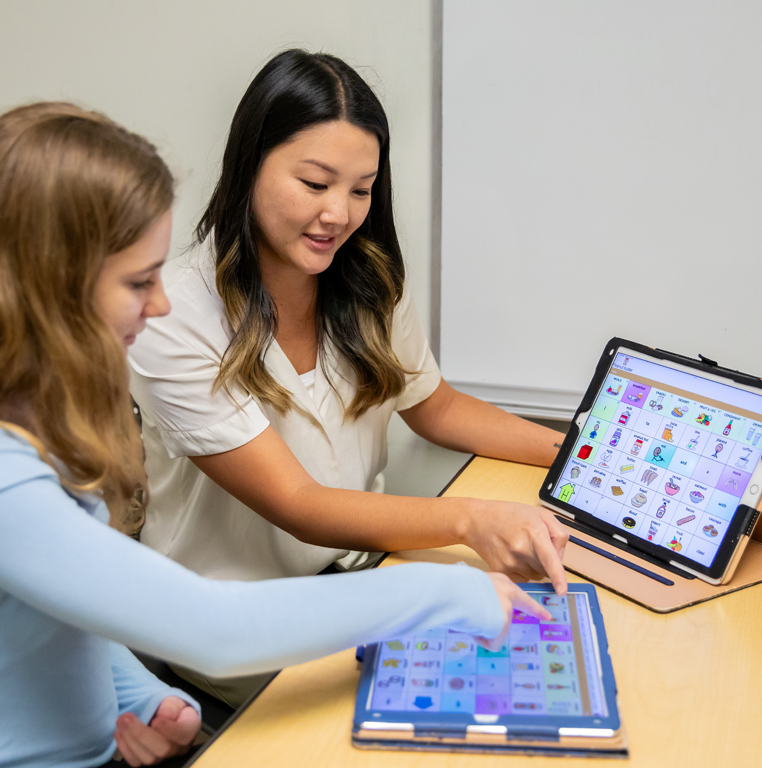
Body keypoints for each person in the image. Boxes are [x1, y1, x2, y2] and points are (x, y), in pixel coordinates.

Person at [0, 102, 552, 768]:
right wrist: (454, 593)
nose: (162, 304)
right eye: (139, 282)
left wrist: (141, 698)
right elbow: (214, 628)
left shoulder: (18, 422)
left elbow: (59, 602)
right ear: (45, 289)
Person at [128, 50, 570, 705]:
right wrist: (472, 519)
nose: (339, 213)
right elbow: (299, 505)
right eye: (315, 183)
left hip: (356, 587)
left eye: (361, 189)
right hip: (230, 639)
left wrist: (576, 461)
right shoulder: (173, 311)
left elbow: (436, 407)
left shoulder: (366, 281)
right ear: (249, 165)